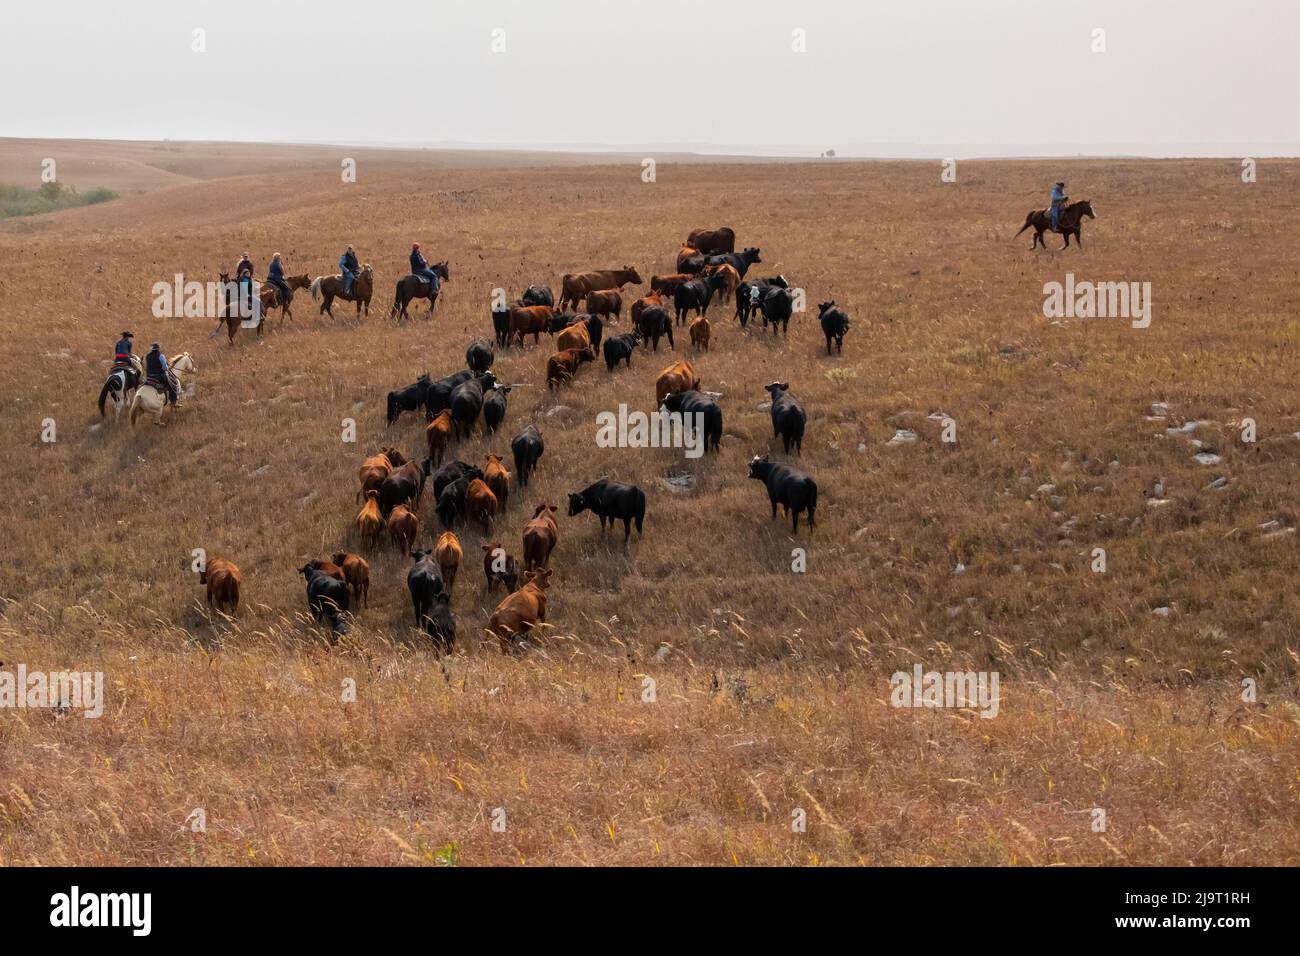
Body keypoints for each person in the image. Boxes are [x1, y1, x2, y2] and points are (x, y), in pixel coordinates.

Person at [145, 342, 180, 409]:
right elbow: (164, 367)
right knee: (174, 383)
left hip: (149, 376)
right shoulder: (161, 356)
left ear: (152, 349)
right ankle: (173, 402)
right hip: (159, 376)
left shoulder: (148, 356)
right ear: (158, 349)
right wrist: (167, 367)